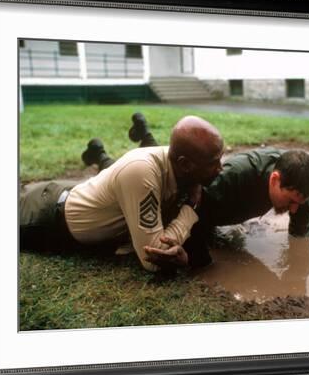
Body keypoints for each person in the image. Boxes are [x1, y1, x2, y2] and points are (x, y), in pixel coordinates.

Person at [81, 113, 309, 267]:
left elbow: (300, 237)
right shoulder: (227, 183)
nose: (295, 208)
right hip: (179, 183)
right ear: (275, 180)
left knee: (164, 166)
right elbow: (185, 208)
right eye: (291, 201)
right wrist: (197, 258)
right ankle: (100, 154)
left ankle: (144, 134)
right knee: (143, 179)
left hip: (190, 173)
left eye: (300, 202)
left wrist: (297, 263)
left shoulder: (300, 190)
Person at [20, 115, 224, 272]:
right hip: (46, 217)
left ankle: (97, 151)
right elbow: (152, 260)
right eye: (213, 163)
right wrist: (190, 208)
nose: (220, 168)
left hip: (77, 192)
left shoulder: (177, 165)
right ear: (185, 164)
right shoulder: (142, 172)